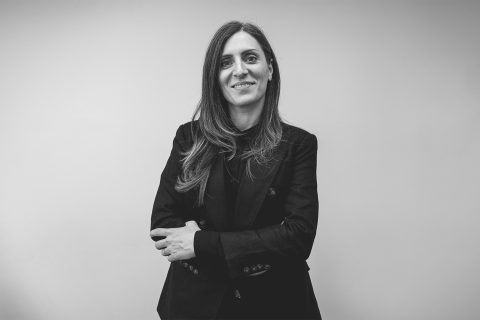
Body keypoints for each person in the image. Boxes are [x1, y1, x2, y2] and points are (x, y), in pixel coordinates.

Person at [150, 21, 322, 320]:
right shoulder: (188, 138)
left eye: (250, 58)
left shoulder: (299, 144)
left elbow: (298, 236)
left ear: (269, 69)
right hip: (196, 304)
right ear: (215, 78)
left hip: (277, 304)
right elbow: (164, 223)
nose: (239, 70)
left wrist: (200, 243)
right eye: (225, 62)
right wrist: (257, 246)